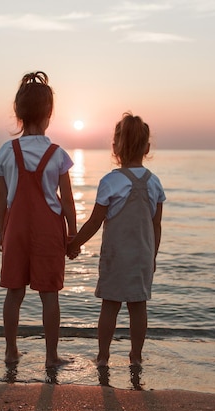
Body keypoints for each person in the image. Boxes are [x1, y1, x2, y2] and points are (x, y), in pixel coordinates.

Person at [0, 71, 77, 368]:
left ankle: (11, 351)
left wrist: (3, 232)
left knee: (14, 293)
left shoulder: (6, 151)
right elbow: (66, 201)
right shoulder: (57, 154)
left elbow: (1, 200)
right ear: (49, 114)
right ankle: (52, 357)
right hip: (48, 231)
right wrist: (74, 235)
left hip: (16, 229)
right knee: (49, 294)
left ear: (17, 113)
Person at [67, 112, 165, 367]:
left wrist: (75, 243)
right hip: (143, 255)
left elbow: (95, 221)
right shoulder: (154, 183)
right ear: (147, 148)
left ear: (115, 147)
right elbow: (156, 225)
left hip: (116, 257)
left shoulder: (110, 182)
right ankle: (136, 356)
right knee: (138, 307)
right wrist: (152, 256)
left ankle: (103, 356)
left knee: (110, 306)